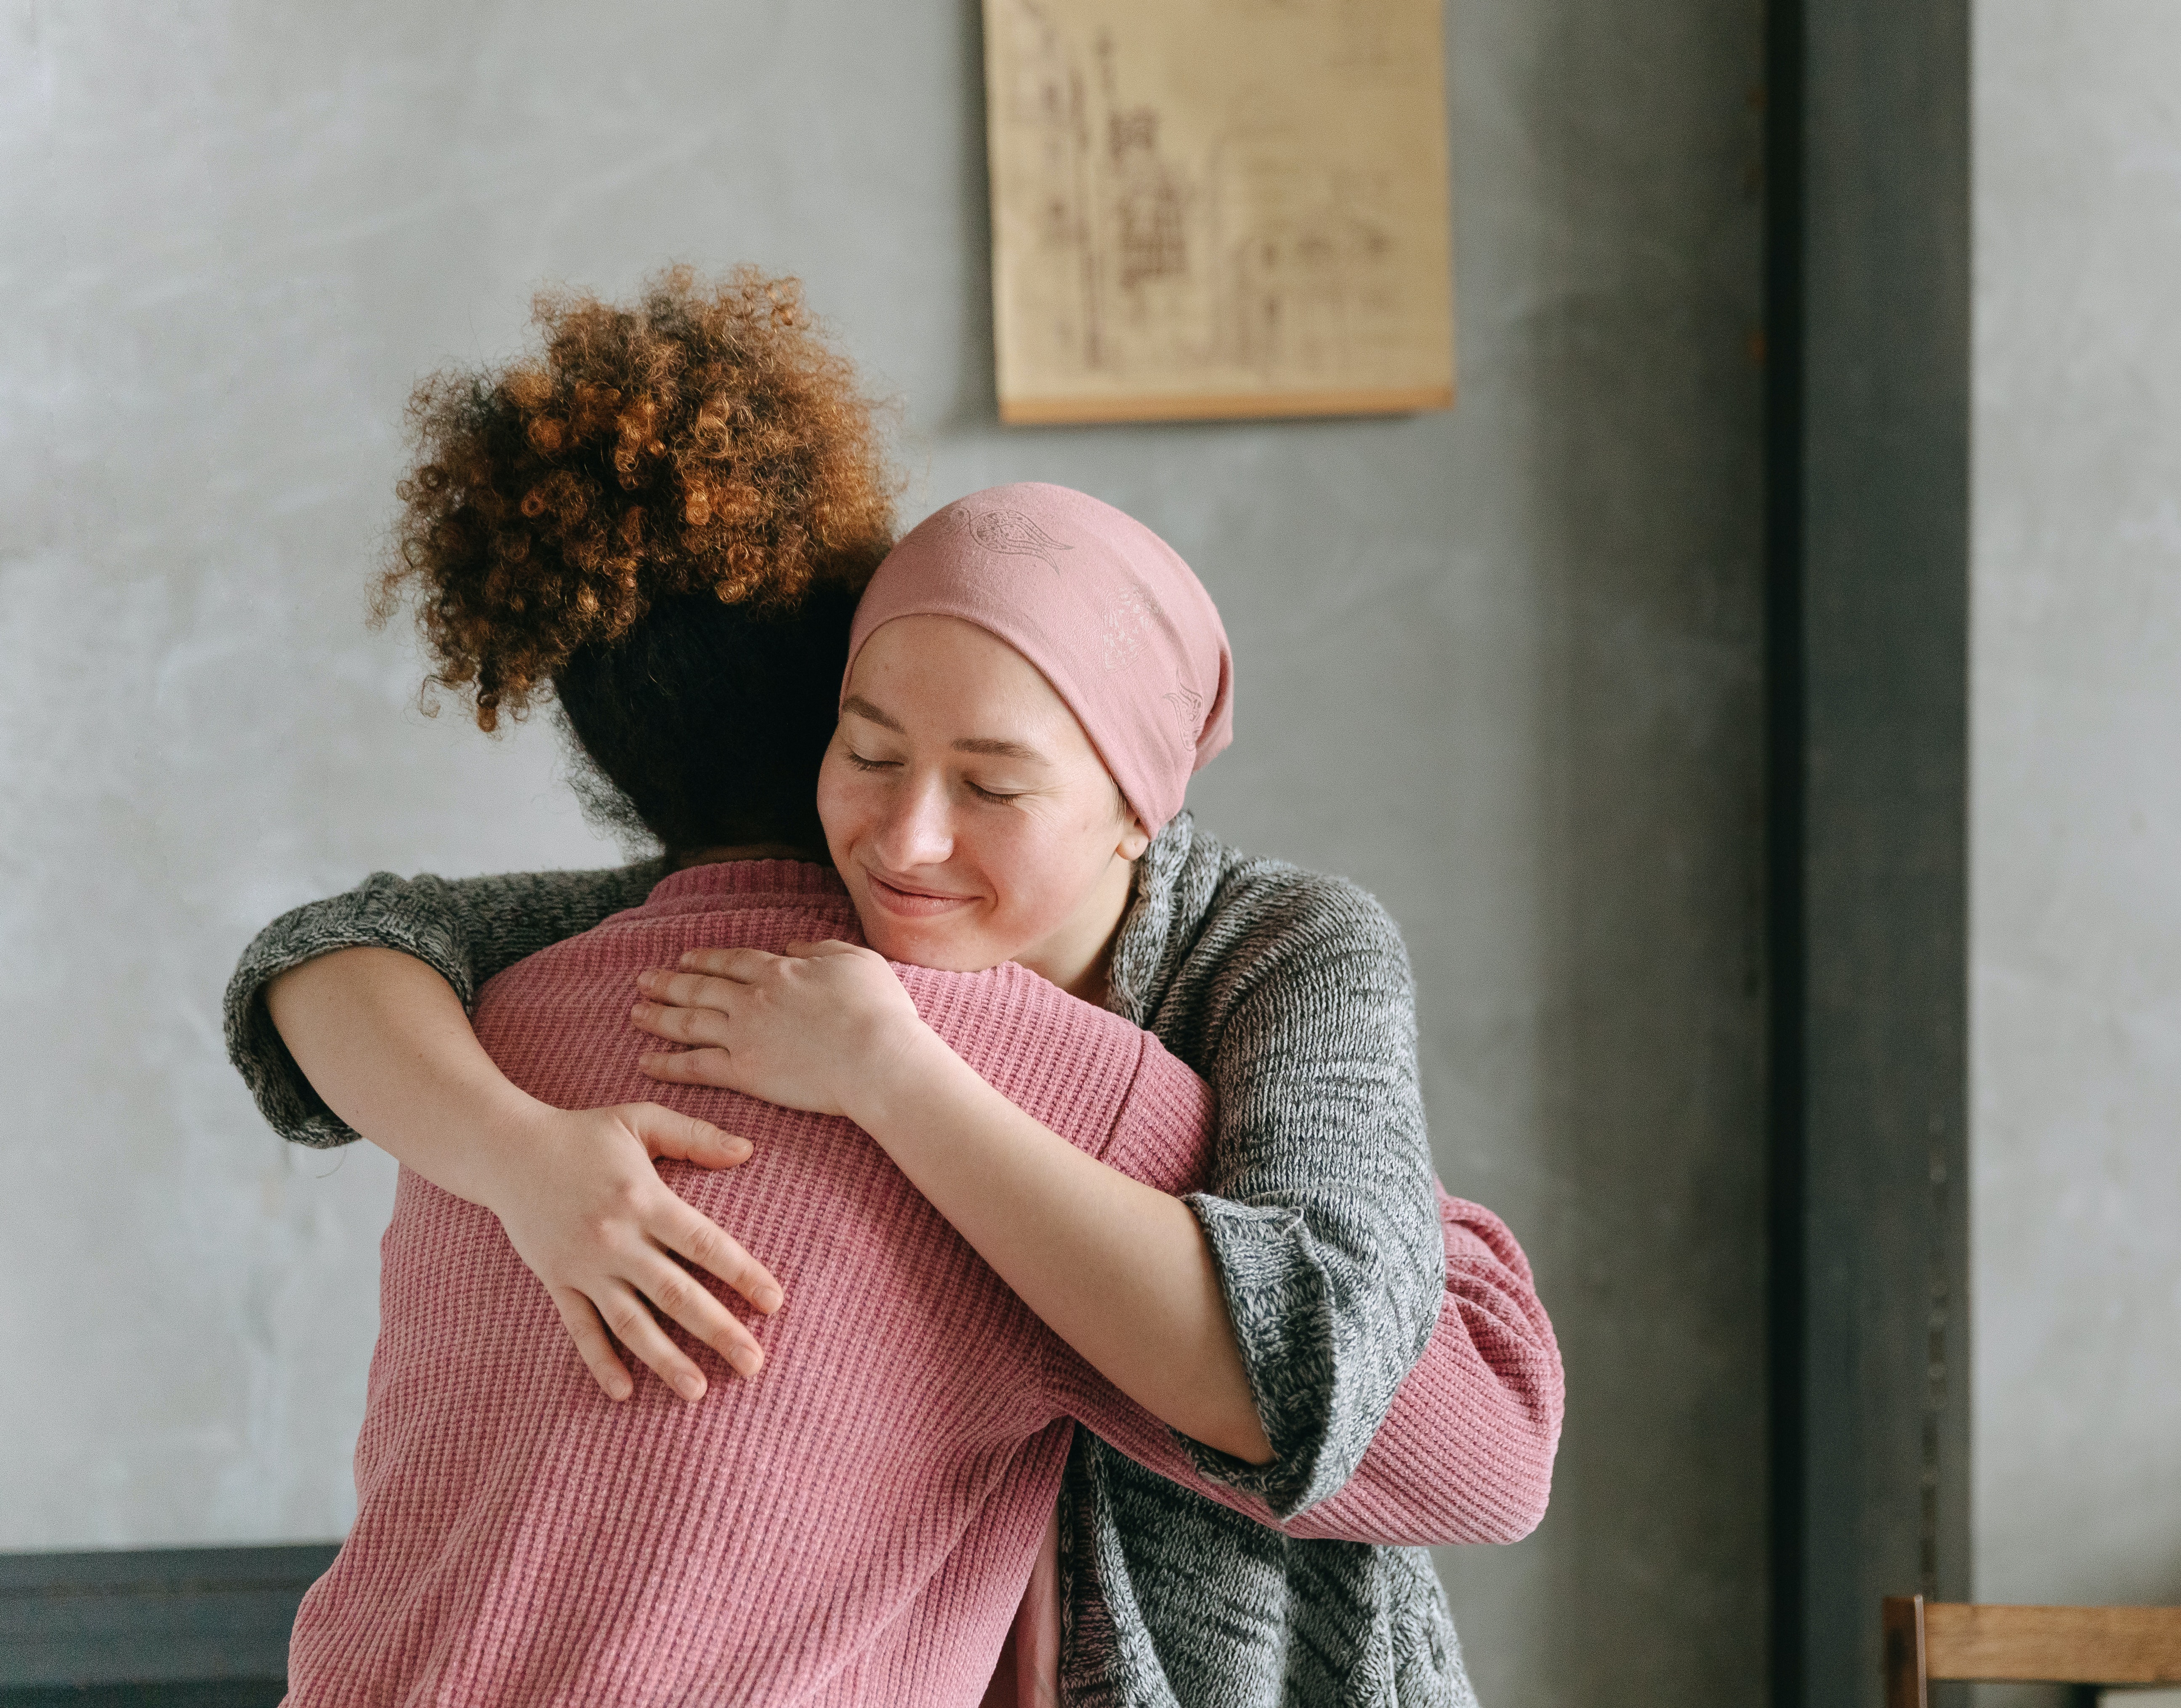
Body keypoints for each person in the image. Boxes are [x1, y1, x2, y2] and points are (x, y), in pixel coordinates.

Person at [227, 269, 1561, 1707]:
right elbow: (343, 944)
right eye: (867, 755)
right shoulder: (743, 951)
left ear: (1138, 809)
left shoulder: (1275, 955)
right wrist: (529, 1159)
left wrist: (898, 1075)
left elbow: (1404, 1406)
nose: (908, 837)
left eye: (991, 784)